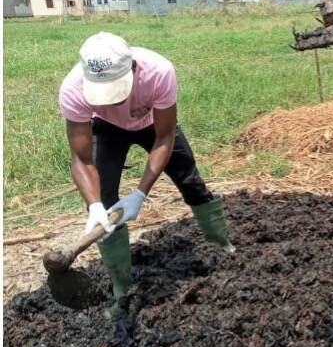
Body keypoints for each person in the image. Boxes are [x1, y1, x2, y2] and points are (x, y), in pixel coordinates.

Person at [58, 32, 234, 321]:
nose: (113, 101)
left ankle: (221, 244)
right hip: (106, 129)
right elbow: (81, 158)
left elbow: (164, 138)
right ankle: (121, 290)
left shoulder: (158, 71)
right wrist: (94, 205)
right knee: (105, 198)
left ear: (133, 69)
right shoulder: (73, 89)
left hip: (153, 123)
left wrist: (140, 193)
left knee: (190, 179)